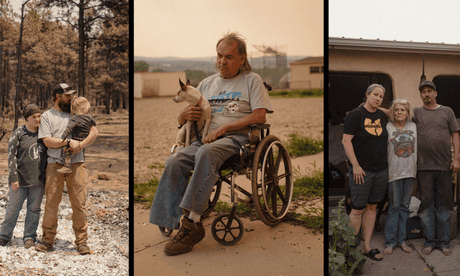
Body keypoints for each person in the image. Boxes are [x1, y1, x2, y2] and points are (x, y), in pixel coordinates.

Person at [149, 32, 273, 256]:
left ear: (242, 59)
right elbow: (185, 120)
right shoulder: (206, 84)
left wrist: (225, 128)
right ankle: (170, 217)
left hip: (235, 140)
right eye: (219, 56)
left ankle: (192, 225)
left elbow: (260, 116)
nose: (222, 61)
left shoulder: (251, 80)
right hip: (204, 138)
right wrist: (183, 115)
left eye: (229, 57)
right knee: (175, 159)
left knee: (206, 152)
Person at [35, 83, 98, 255]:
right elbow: (47, 140)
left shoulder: (77, 112)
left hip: (77, 165)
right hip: (55, 165)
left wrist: (81, 145)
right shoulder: (48, 116)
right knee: (51, 204)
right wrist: (68, 142)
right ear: (58, 96)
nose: (71, 98)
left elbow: (94, 132)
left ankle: (82, 242)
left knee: (79, 205)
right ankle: (47, 240)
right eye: (68, 95)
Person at [342, 84, 388, 261]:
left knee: (373, 207)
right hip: (362, 171)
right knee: (357, 210)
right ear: (367, 94)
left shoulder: (382, 115)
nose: (377, 98)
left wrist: (378, 105)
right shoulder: (355, 115)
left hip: (381, 170)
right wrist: (356, 166)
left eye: (381, 96)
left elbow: (394, 111)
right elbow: (346, 141)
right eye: (375, 95)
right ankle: (351, 249)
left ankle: (366, 246)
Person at [414, 80, 460, 256]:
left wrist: (456, 158)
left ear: (435, 93)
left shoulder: (447, 111)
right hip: (423, 166)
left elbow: (455, 134)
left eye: (429, 91)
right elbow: (398, 118)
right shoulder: (416, 113)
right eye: (423, 91)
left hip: (444, 166)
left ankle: (444, 242)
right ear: (420, 95)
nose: (426, 94)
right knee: (426, 204)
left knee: (444, 204)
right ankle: (429, 241)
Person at [0, 105, 46, 249]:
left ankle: (29, 237)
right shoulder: (19, 133)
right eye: (34, 117)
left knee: (34, 209)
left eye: (39, 116)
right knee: (13, 208)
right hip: (20, 179)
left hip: (38, 180)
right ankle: (4, 236)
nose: (37, 119)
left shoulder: (44, 134)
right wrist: (13, 177)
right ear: (26, 118)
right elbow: (11, 156)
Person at [383, 99, 417, 255]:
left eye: (402, 110)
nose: (399, 113)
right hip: (394, 174)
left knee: (404, 208)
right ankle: (390, 241)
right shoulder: (388, 127)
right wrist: (388, 110)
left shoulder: (414, 127)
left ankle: (402, 240)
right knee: (394, 207)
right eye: (396, 110)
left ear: (407, 112)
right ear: (392, 112)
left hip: (410, 173)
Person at [57, 96, 96, 174]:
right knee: (82, 152)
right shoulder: (89, 117)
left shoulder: (74, 118)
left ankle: (67, 166)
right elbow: (94, 124)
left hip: (76, 139)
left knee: (65, 148)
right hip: (84, 140)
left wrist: (62, 138)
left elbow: (68, 129)